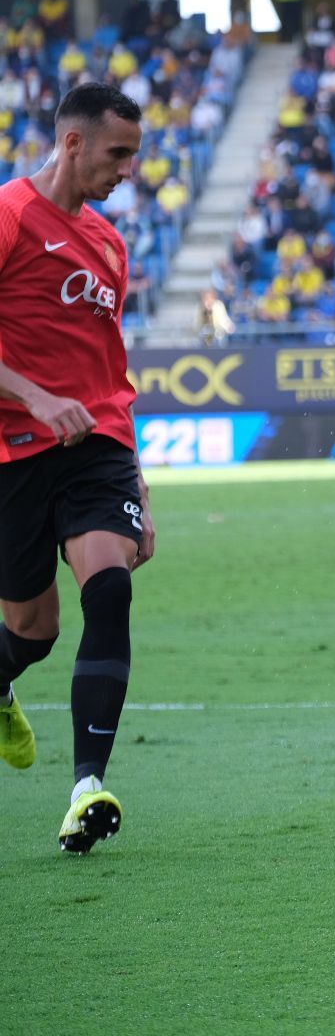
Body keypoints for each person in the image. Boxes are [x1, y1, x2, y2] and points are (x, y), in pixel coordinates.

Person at [0, 82, 157, 854]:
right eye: (117, 152)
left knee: (112, 585)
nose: (128, 168)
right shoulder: (7, 217)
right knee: (33, 629)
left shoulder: (109, 244)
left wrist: (142, 492)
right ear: (72, 143)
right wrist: (32, 396)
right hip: (13, 454)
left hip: (96, 447)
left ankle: (86, 787)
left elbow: (110, 370)